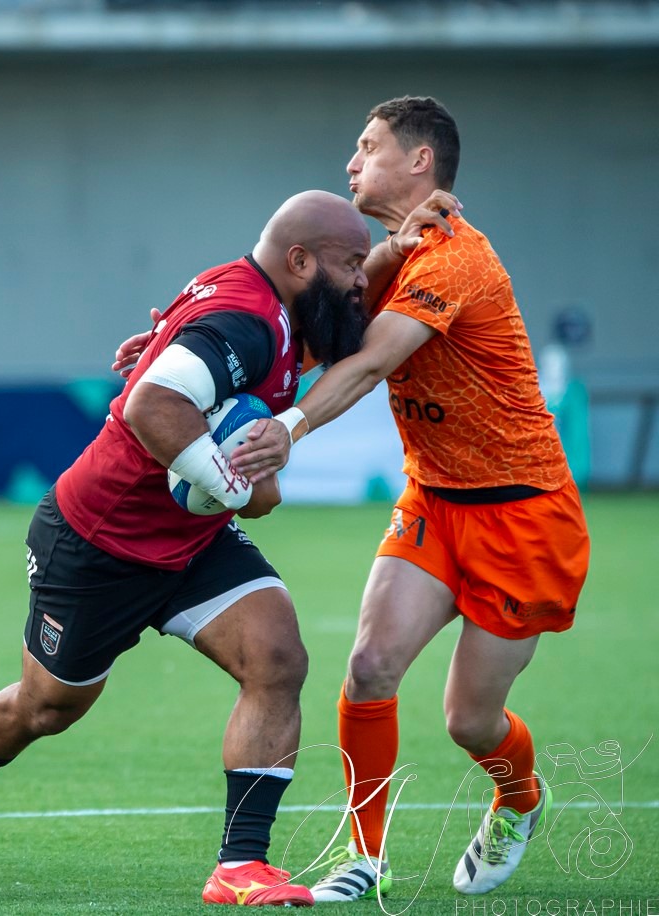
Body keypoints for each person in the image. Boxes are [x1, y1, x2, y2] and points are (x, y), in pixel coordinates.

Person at [0, 190, 373, 907]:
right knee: (47, 708)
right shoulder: (248, 320)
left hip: (190, 543)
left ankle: (241, 865)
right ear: (299, 261)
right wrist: (234, 484)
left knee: (278, 657)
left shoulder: (275, 302)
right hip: (99, 541)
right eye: (352, 264)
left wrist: (408, 245)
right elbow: (151, 403)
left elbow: (236, 355)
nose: (360, 282)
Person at [228, 97, 590, 900]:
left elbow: (364, 364)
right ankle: (365, 857)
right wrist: (176, 342)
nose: (351, 162)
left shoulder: (458, 260)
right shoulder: (391, 255)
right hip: (434, 500)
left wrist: (288, 428)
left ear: (420, 161)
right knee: (368, 667)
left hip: (524, 513)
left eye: (368, 146)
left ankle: (521, 798)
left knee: (470, 721)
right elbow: (306, 333)